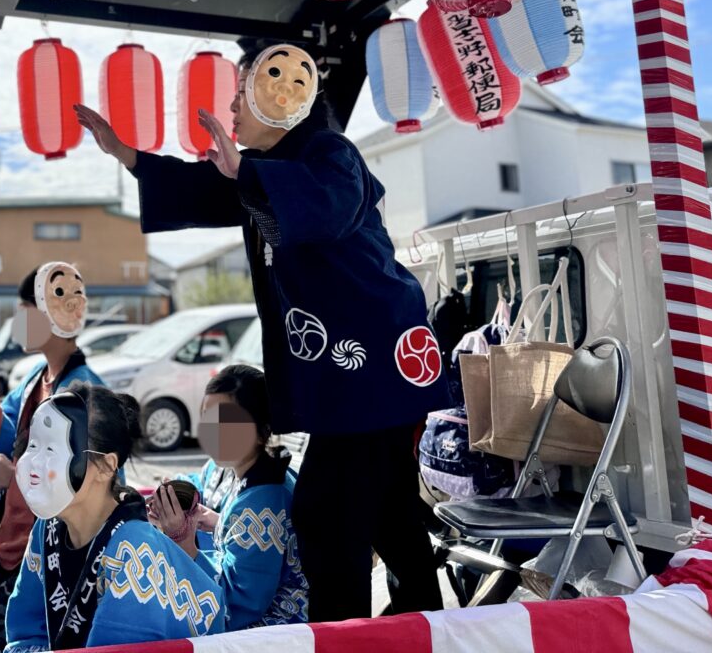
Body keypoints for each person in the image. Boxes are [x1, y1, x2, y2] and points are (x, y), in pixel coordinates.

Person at [76, 41, 450, 621]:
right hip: (357, 379)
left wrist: (244, 171)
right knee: (386, 512)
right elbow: (205, 189)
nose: (230, 107)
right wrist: (127, 154)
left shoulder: (329, 154)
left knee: (329, 512)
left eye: (240, 94)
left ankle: (351, 635)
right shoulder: (269, 171)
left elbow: (324, 211)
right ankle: (422, 625)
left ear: (280, 96)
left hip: (375, 365)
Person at [4, 383, 225, 651]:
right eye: (34, 445)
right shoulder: (47, 526)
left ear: (107, 466)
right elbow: (23, 634)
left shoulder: (134, 550)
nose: (34, 463)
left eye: (52, 450)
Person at [0, 263, 104, 646]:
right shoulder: (35, 378)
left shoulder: (85, 394)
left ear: (50, 316)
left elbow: (81, 484)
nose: (16, 325)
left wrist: (13, 478)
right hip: (13, 545)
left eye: (23, 315)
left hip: (46, 556)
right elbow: (9, 440)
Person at [149, 364, 308, 630]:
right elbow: (200, 484)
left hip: (273, 629)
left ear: (262, 429)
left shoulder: (263, 504)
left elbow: (235, 605)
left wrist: (184, 542)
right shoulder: (232, 466)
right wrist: (177, 495)